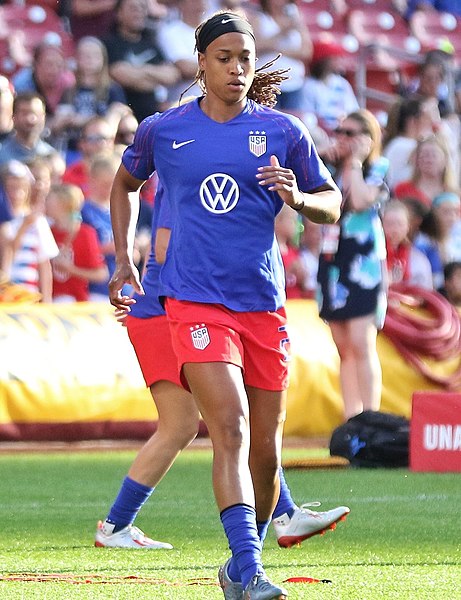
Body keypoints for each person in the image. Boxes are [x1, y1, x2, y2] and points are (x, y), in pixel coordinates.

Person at [108, 10, 342, 600]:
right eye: (224, 58)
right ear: (201, 63)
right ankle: (249, 566)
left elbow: (332, 203)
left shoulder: (285, 130)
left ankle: (243, 566)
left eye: (245, 58)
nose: (237, 68)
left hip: (262, 304)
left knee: (266, 449)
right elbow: (123, 183)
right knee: (230, 426)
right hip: (194, 302)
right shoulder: (165, 130)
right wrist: (123, 260)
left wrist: (299, 199)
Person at [98, 183, 349, 553]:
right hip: (167, 313)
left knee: (209, 421)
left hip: (167, 310)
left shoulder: (189, 168)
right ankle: (118, 524)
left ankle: (284, 512)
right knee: (207, 421)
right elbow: (165, 249)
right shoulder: (181, 174)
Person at [317, 109, 389, 421]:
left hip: (364, 260)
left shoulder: (377, 167)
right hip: (333, 258)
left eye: (351, 133)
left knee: (362, 340)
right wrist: (324, 155)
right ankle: (352, 419)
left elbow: (360, 201)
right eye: (340, 132)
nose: (343, 139)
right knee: (343, 345)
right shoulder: (328, 168)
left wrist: (355, 162)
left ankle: (369, 417)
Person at [51, 36, 129, 160]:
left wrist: (81, 120)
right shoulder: (70, 90)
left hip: (104, 152)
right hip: (74, 150)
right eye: (84, 55)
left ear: (103, 58)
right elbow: (58, 123)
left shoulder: (113, 90)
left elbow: (112, 125)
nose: (89, 59)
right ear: (76, 59)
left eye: (95, 55)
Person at [102, 0, 180, 122]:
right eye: (133, 8)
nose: (139, 13)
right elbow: (119, 74)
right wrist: (155, 77)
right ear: (119, 13)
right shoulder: (110, 43)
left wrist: (138, 72)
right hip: (123, 120)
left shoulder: (151, 42)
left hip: (153, 117)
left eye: (142, 8)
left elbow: (172, 75)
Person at [0, 159, 58, 302]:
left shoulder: (37, 221)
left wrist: (47, 301)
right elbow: (7, 255)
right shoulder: (5, 222)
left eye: (21, 188)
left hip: (28, 294)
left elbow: (44, 265)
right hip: (5, 295)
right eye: (11, 188)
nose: (16, 194)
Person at [46, 183, 108, 302]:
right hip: (50, 299)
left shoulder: (85, 233)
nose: (46, 205)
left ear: (63, 205)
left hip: (74, 300)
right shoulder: (47, 231)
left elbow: (101, 274)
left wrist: (71, 270)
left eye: (50, 201)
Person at [249, 0, 312, 113]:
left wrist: (277, 50)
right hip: (267, 84)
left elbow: (306, 51)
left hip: (294, 83)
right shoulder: (259, 19)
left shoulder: (296, 20)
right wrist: (283, 32)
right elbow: (254, 47)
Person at [301, 41, 359, 136]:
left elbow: (353, 110)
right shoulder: (309, 86)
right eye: (335, 58)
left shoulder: (343, 83)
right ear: (324, 61)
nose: (340, 61)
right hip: (319, 132)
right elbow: (307, 116)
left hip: (343, 129)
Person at [394, 134, 459, 210]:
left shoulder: (454, 194)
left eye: (434, 155)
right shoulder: (403, 189)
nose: (428, 160)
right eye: (424, 155)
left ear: (445, 160)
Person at [382, 199, 433, 289]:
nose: (395, 229)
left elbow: (425, 290)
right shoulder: (373, 254)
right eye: (390, 224)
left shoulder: (418, 259)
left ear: (407, 227)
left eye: (400, 224)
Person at [0, 92, 58, 166]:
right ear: (14, 117)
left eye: (36, 113)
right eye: (25, 113)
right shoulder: (2, 155)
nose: (31, 119)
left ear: (44, 117)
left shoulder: (51, 156)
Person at [62, 116, 116, 196]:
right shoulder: (71, 176)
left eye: (105, 138)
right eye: (94, 139)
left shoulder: (123, 174)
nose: (101, 144)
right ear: (82, 143)